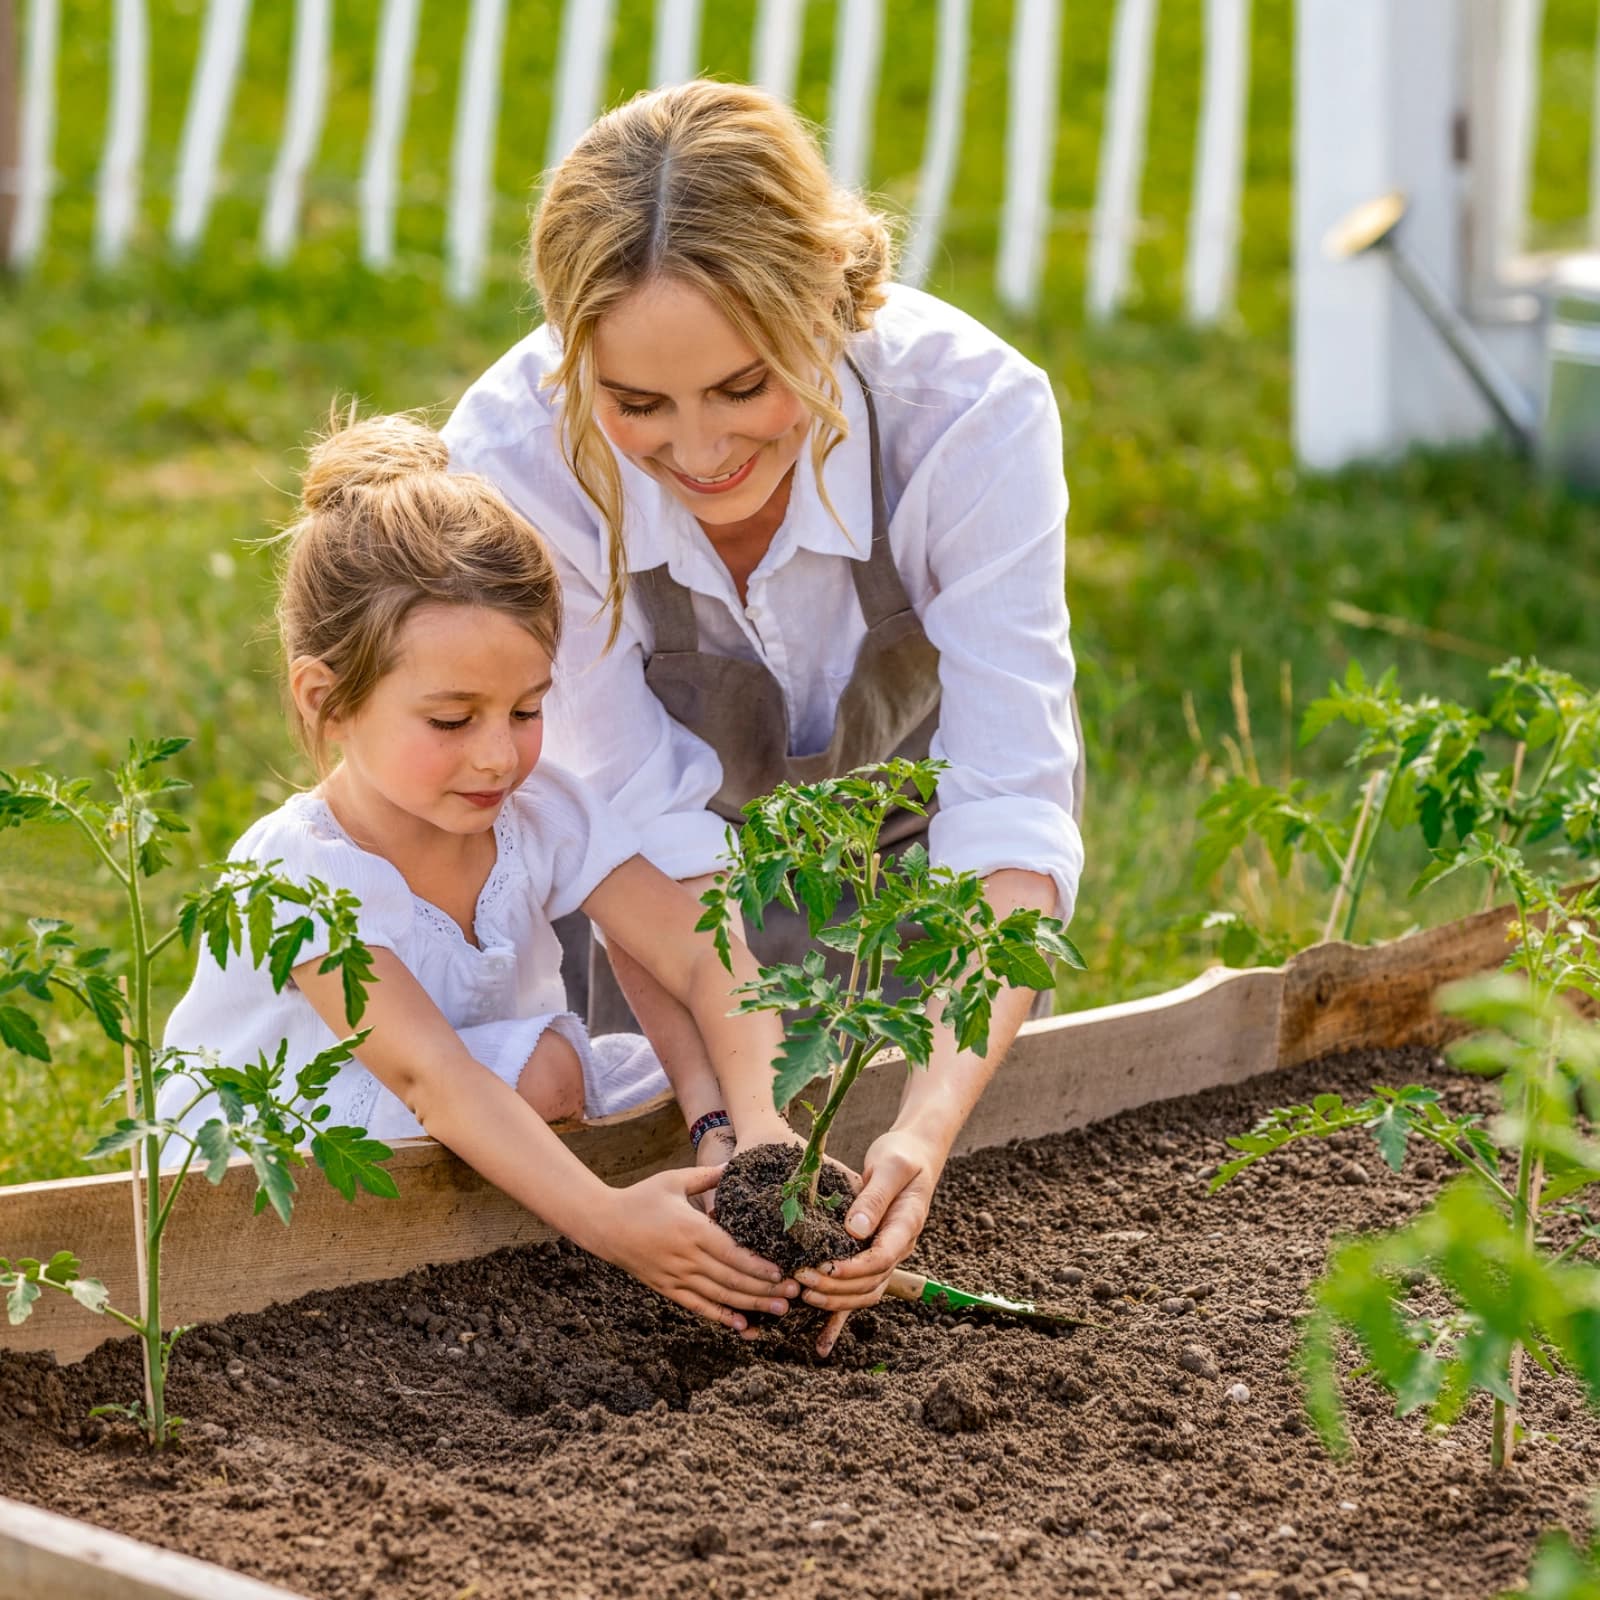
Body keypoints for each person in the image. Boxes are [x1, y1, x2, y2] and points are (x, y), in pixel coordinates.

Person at [443, 80, 1085, 1353]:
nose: (700, 450)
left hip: (910, 889)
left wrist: (921, 1123)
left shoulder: (966, 418)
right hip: (652, 932)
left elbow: (1007, 801)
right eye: (636, 405)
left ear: (827, 307)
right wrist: (738, 1122)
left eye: (744, 385)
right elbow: (620, 808)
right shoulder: (518, 456)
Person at [158, 411, 806, 1337]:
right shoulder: (294, 874)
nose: (499, 757)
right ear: (326, 700)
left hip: (472, 1100)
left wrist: (758, 1128)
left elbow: (699, 955)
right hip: (280, 1154)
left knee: (631, 1076)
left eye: (528, 708)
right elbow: (432, 1079)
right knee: (550, 1070)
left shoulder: (543, 813)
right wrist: (611, 1223)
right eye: (453, 721)